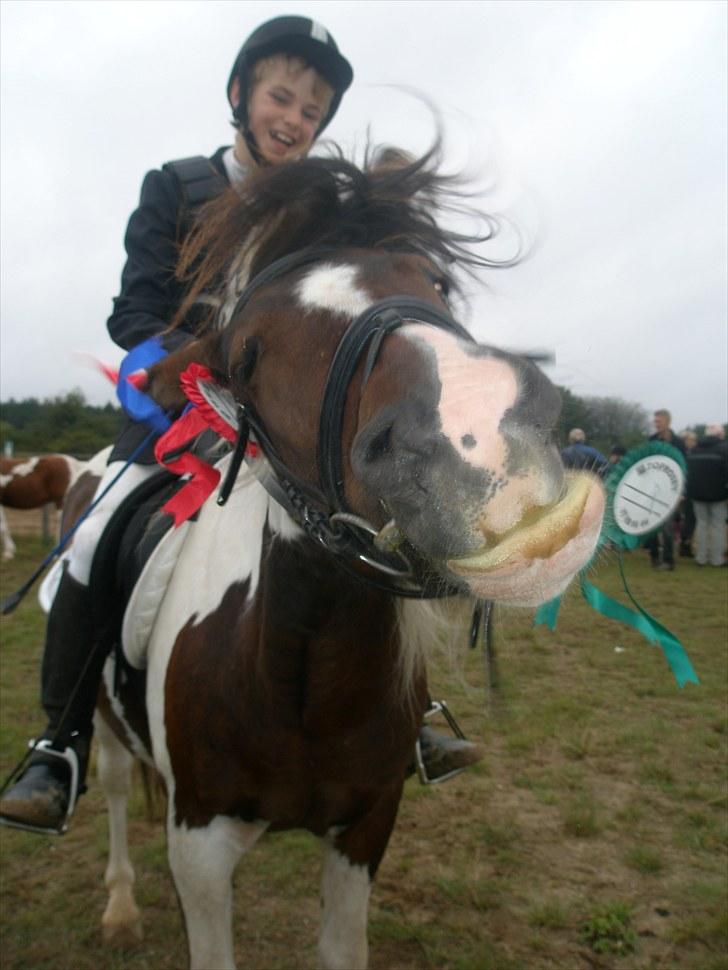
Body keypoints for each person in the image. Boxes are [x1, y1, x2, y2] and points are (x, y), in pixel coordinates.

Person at [0, 16, 479, 835]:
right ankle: (62, 740)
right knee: (94, 534)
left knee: (379, 532)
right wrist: (178, 370)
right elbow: (135, 310)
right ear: (240, 94)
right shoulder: (177, 185)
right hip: (180, 414)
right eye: (281, 96)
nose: (294, 118)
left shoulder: (322, 210)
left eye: (312, 109)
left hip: (287, 425)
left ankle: (418, 711)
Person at [644, 409, 686, 571]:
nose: (656, 424)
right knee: (652, 526)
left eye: (658, 421)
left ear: (667, 421)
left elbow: (684, 467)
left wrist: (683, 491)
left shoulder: (678, 442)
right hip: (654, 488)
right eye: (655, 421)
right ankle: (654, 557)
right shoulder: (652, 440)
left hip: (671, 490)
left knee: (668, 528)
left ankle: (668, 560)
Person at [687, 424, 728, 567]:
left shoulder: (695, 449)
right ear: (719, 435)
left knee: (701, 525)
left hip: (697, 495)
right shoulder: (725, 449)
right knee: (718, 527)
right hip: (718, 495)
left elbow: (690, 473)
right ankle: (717, 560)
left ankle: (701, 558)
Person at [678, 430, 698, 557]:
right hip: (686, 492)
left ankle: (686, 544)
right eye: (690, 440)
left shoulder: (692, 453)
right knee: (688, 520)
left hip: (691, 491)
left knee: (689, 520)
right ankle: (684, 545)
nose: (693, 443)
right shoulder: (684, 455)